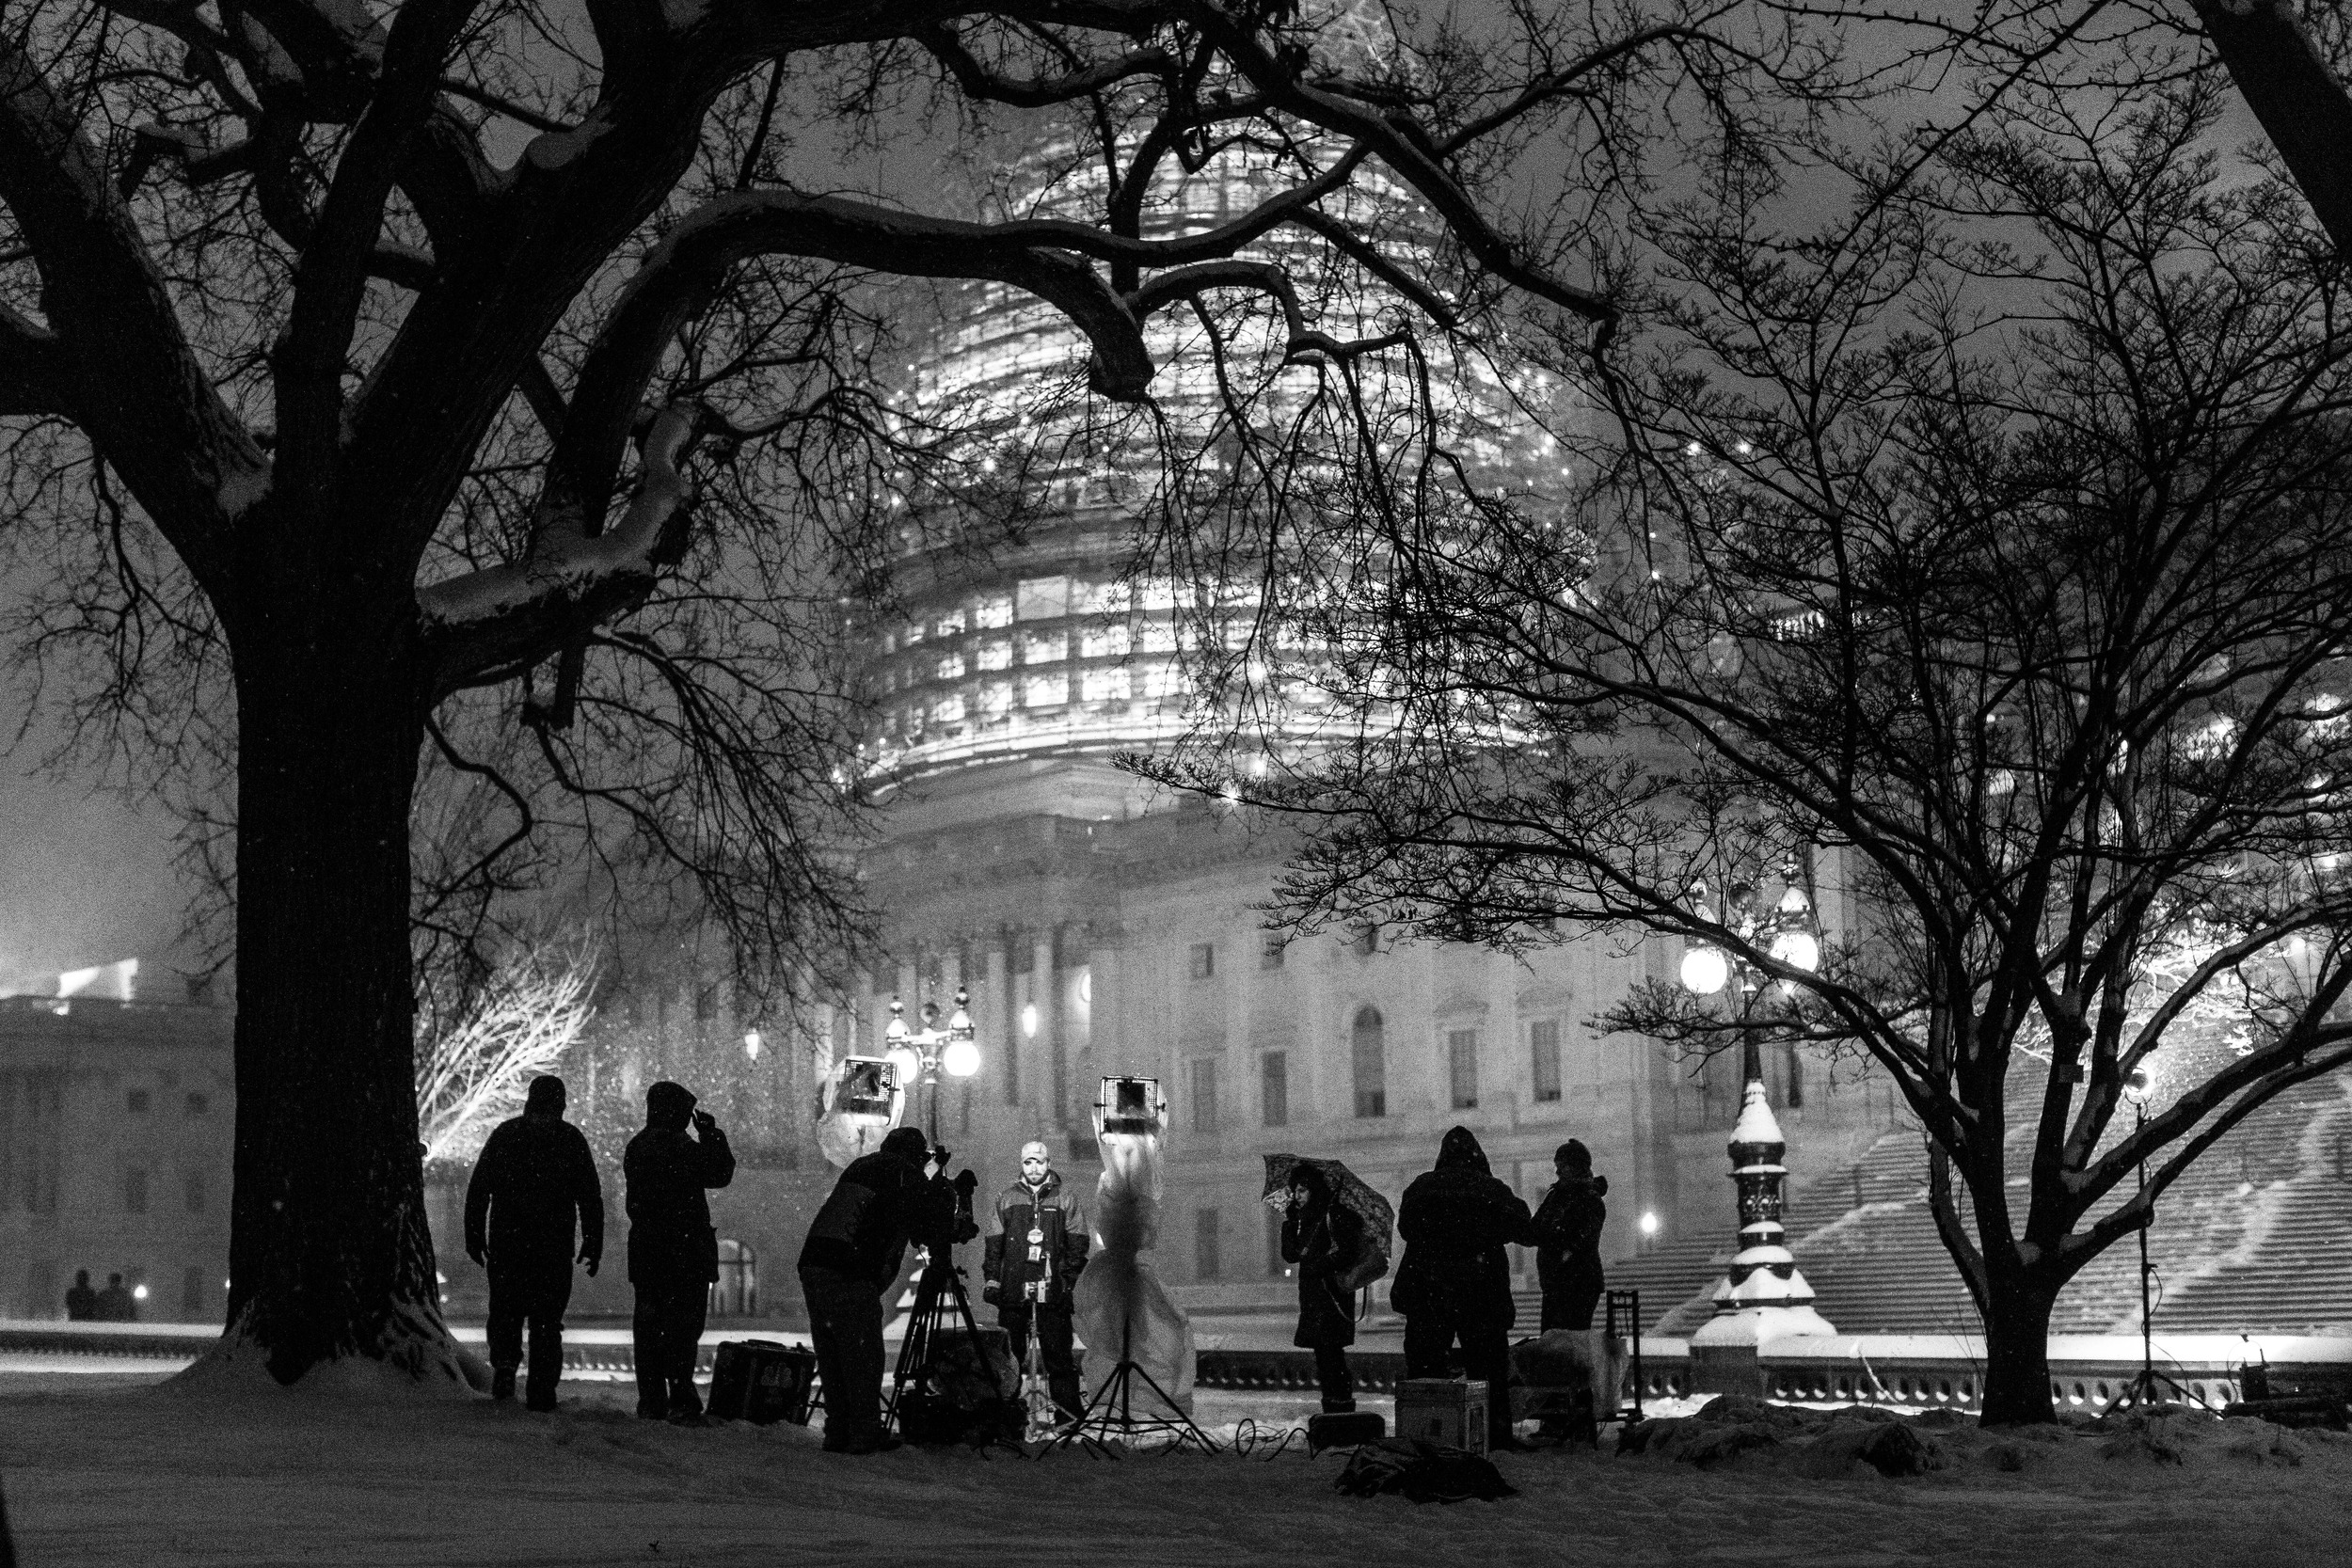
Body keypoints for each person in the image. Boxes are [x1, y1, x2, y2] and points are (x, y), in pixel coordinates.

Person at [796, 1126, 961, 1454]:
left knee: (834, 1353)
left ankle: (838, 1430)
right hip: (849, 1269)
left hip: (817, 1261)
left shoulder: (866, 1165)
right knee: (862, 1356)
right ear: (914, 1156)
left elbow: (894, 1206)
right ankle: (863, 1433)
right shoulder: (901, 1173)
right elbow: (927, 1225)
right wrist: (943, 1190)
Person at [464, 1074, 605, 1411]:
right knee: (547, 1321)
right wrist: (592, 1240)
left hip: (509, 1242)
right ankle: (541, 1387)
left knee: (505, 1312)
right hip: (552, 1247)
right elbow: (589, 1196)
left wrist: (474, 1233)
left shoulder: (506, 1135)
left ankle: (505, 1368)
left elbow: (480, 1187)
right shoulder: (570, 1139)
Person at [1391, 1126, 1532, 1451]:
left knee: (1426, 1369)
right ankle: (1495, 1435)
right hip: (1479, 1291)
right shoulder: (1491, 1190)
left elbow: (1407, 1228)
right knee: (1489, 1370)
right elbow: (1522, 1227)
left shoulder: (1421, 1187)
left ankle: (1425, 1434)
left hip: (1429, 1292)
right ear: (1477, 1155)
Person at [624, 1081, 734, 1421]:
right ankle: (681, 1393)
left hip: (650, 1250)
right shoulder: (681, 1147)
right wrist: (711, 1135)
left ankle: (652, 1397)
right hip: (685, 1250)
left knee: (650, 1325)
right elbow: (719, 1173)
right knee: (684, 1326)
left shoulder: (639, 1145)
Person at [981, 1139, 1089, 1422]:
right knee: (1010, 1358)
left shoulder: (1067, 1198)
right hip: (1014, 1291)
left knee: (1058, 1357)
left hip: (1053, 1292)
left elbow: (1078, 1247)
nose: (1033, 1168)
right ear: (1021, 1164)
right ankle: (1007, 1416)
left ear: (1048, 1163)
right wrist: (992, 1281)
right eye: (1027, 1162)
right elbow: (994, 1246)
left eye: (1038, 1161)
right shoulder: (1005, 1199)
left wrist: (1068, 1284)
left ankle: (1068, 1417)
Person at [1279, 1163, 1374, 1414]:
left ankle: (1341, 1408)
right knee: (1324, 1354)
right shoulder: (1303, 1219)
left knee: (1331, 1353)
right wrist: (1289, 1224)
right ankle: (1333, 1407)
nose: (1296, 1196)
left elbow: (1349, 1253)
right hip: (1312, 1296)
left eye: (1301, 1191)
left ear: (1314, 1190)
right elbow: (1290, 1256)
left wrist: (1320, 1265)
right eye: (1294, 1191)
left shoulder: (1335, 1215)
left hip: (1331, 1295)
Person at [1529, 1139, 1609, 1332]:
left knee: (1570, 1342)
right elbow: (1535, 1227)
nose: (1557, 1172)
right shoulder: (1556, 1195)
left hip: (1578, 1283)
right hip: (1555, 1283)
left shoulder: (1590, 1199)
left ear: (1576, 1167)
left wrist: (1560, 1249)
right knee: (1553, 1341)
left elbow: (1580, 1239)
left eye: (1562, 1167)